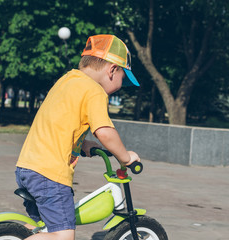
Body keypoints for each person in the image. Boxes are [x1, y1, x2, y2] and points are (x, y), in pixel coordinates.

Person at [15, 34, 141, 240]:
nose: (121, 86)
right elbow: (105, 132)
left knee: (45, 228)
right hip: (50, 174)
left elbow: (61, 119)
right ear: (112, 70)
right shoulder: (94, 91)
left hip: (27, 168)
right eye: (123, 80)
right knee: (63, 236)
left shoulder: (66, 80)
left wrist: (82, 143)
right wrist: (125, 157)